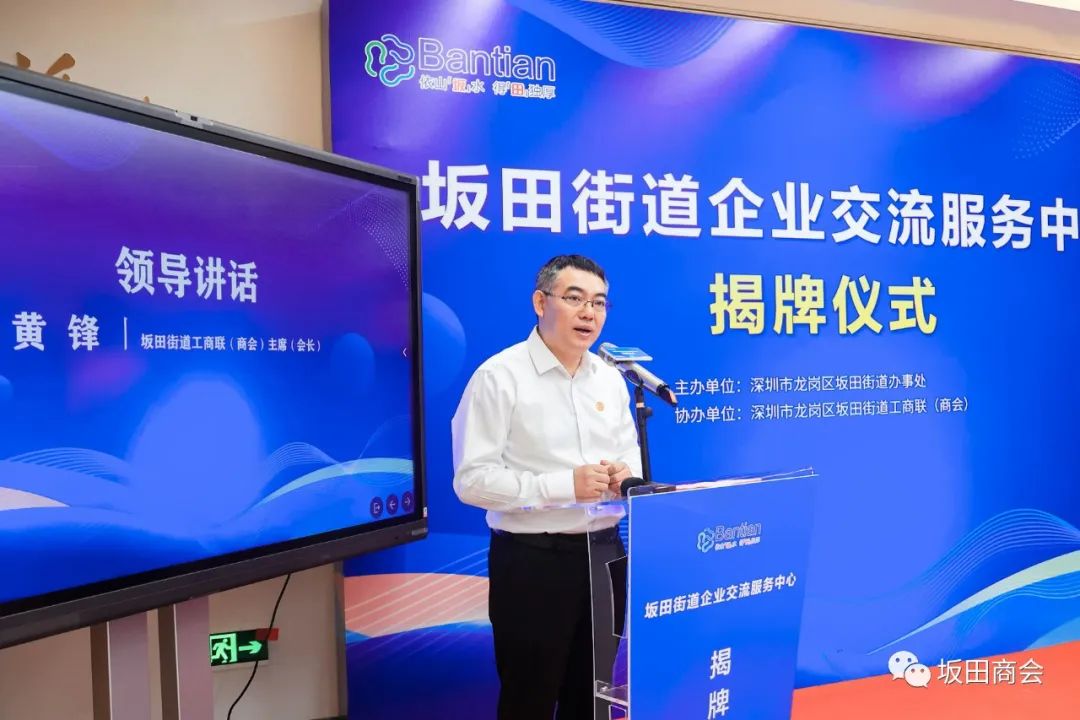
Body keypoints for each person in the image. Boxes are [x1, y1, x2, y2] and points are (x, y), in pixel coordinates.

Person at [451, 254, 642, 720]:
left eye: (599, 303)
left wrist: (623, 477)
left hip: (605, 556)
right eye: (574, 299)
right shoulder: (499, 377)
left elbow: (630, 455)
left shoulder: (611, 379)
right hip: (533, 562)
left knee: (593, 699)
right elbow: (471, 481)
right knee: (529, 699)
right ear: (541, 302)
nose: (588, 313)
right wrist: (563, 486)